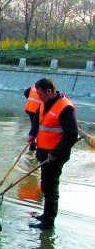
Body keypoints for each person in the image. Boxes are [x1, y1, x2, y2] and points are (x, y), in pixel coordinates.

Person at [27, 78, 78, 230]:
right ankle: (45, 214)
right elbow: (38, 117)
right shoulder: (44, 102)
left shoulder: (66, 108)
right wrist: (32, 133)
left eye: (41, 94)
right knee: (45, 184)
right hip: (44, 152)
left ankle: (48, 222)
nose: (39, 97)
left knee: (50, 186)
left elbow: (71, 135)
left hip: (55, 155)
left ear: (49, 91)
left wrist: (55, 153)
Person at [24, 84, 42, 151]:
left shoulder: (34, 86)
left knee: (34, 126)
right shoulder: (44, 90)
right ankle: (32, 146)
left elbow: (26, 92)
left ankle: (32, 146)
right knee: (35, 127)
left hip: (29, 108)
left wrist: (30, 100)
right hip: (35, 110)